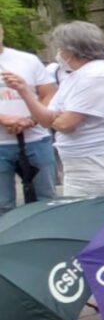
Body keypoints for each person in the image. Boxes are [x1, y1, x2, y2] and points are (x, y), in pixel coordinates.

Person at [2, 21, 104, 196]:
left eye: (60, 48)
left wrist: (58, 119)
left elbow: (66, 124)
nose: (58, 53)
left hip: (103, 158)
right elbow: (46, 120)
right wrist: (24, 91)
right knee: (84, 214)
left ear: (72, 50)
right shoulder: (73, 77)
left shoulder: (98, 74)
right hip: (80, 159)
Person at [0, 22, 58, 214]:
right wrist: (3, 119)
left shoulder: (27, 60)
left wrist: (31, 119)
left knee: (46, 200)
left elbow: (50, 94)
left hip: (36, 138)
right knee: (3, 205)